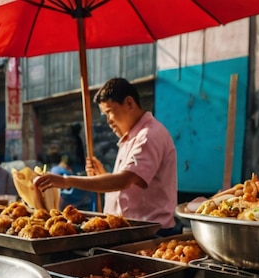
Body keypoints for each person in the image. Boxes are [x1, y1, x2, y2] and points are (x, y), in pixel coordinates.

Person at [35, 77, 178, 235]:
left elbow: (124, 180)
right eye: (105, 115)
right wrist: (102, 176)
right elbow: (128, 187)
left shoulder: (149, 135)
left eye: (110, 112)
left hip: (150, 233)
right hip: (128, 231)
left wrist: (66, 181)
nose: (108, 121)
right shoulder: (130, 137)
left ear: (129, 103)